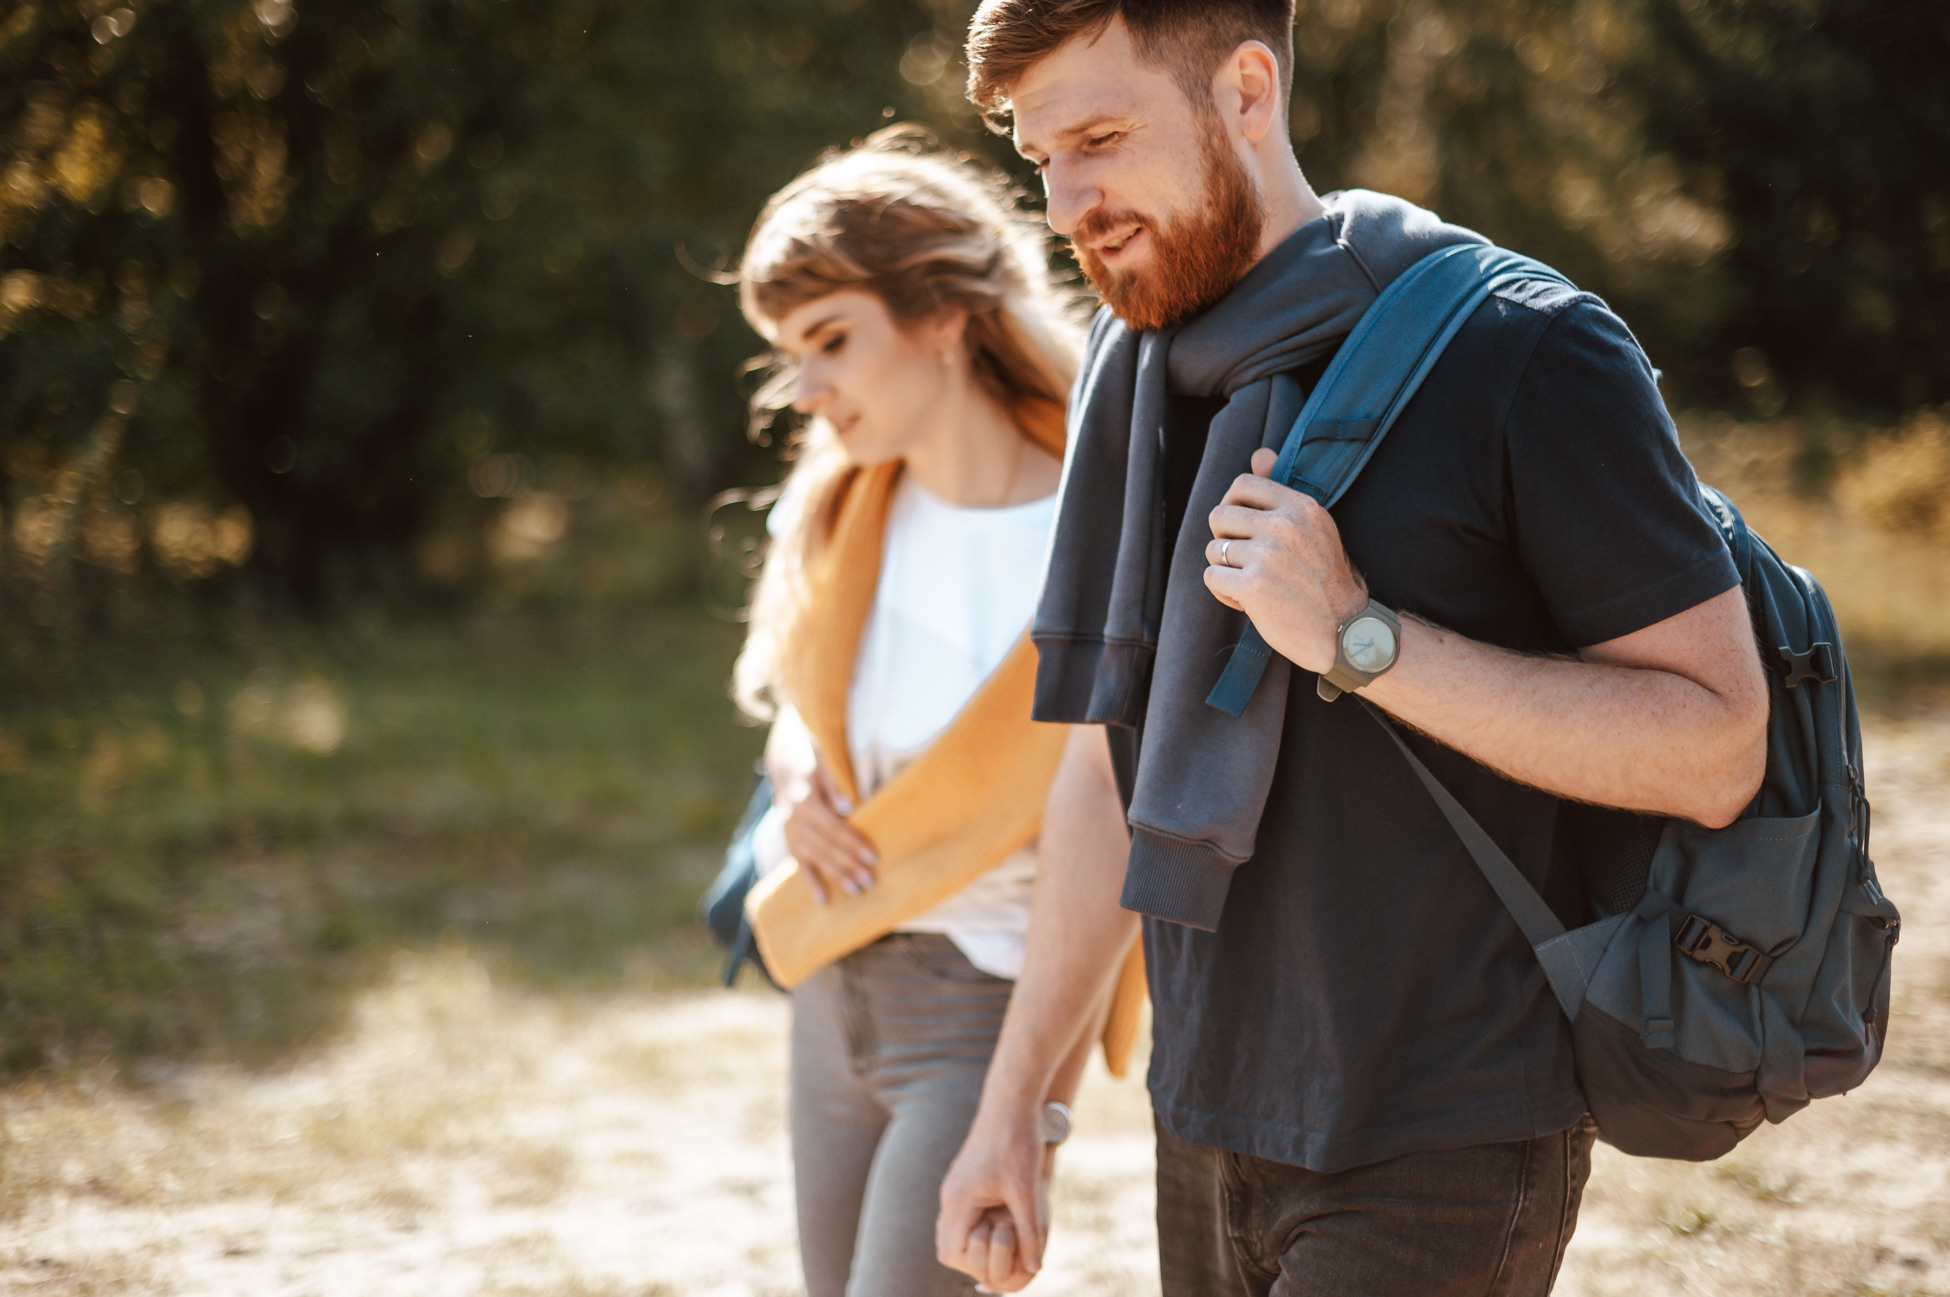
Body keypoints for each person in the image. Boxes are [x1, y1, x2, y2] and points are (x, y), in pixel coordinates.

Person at [932, 4, 1771, 1295]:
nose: (1067, 203)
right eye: (1041, 159)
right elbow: (1111, 778)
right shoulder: (1138, 370)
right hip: (1202, 1118)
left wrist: (1360, 637)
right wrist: (1014, 1109)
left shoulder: (1521, 349)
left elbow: (1716, 744)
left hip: (1439, 1131)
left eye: (1099, 137)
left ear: (1247, 89)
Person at [728, 128, 1145, 1297]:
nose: (804, 389)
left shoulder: (1098, 533)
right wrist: (799, 769)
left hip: (980, 1016)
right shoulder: (842, 503)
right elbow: (799, 698)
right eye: (789, 352)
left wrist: (1033, 1110)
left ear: (946, 319)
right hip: (832, 985)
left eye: (832, 340)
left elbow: (1109, 832)